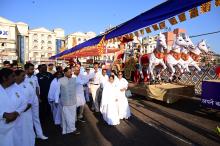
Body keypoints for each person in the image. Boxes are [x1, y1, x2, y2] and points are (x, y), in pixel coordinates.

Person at [0, 68, 26, 146]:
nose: (15, 78)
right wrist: (4, 115)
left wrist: (16, 113)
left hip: (16, 123)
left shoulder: (17, 87)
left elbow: (24, 103)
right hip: (2, 126)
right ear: (4, 78)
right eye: (13, 76)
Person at [24, 63, 48, 140]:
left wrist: (38, 97)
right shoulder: (22, 77)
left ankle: (39, 134)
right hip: (26, 100)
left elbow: (37, 87)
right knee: (28, 118)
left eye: (33, 69)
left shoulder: (35, 77)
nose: (33, 70)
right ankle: (31, 134)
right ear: (26, 69)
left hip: (35, 99)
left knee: (36, 117)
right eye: (31, 69)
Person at [14, 69, 35, 146]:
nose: (24, 77)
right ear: (16, 76)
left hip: (26, 112)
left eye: (25, 76)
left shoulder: (28, 85)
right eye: (22, 76)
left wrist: (25, 108)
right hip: (15, 114)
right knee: (17, 131)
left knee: (28, 129)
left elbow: (32, 97)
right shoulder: (12, 86)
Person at [59, 67, 80, 135]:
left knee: (72, 116)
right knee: (67, 116)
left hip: (73, 101)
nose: (70, 73)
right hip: (65, 102)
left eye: (71, 71)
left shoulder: (74, 79)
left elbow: (82, 82)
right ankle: (72, 129)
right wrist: (56, 100)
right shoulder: (61, 80)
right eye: (68, 72)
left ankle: (67, 129)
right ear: (64, 73)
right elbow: (57, 91)